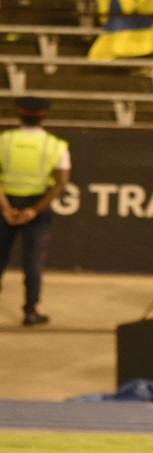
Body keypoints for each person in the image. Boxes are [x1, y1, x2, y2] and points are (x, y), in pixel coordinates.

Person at [0, 96, 70, 327]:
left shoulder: (4, 141)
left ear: (19, 115)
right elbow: (60, 183)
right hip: (37, 209)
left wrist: (7, 208)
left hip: (4, 207)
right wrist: (33, 211)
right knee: (33, 263)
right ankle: (31, 311)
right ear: (43, 116)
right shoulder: (55, 145)